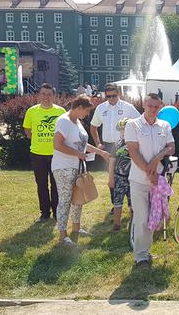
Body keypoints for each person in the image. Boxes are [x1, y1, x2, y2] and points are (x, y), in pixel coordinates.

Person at [125, 93, 175, 269]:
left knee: (154, 216)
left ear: (160, 107)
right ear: (144, 105)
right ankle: (140, 257)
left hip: (157, 181)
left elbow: (171, 147)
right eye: (150, 105)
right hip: (139, 180)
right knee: (142, 217)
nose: (153, 109)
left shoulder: (165, 125)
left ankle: (145, 250)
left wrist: (157, 159)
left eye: (156, 106)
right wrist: (149, 171)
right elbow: (133, 151)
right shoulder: (133, 124)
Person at [51, 95, 110, 246]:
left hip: (77, 167)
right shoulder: (63, 121)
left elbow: (83, 144)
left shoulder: (77, 122)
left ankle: (76, 229)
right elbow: (57, 145)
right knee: (65, 200)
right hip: (63, 167)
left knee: (78, 198)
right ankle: (63, 235)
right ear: (79, 108)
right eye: (87, 111)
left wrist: (100, 152)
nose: (87, 115)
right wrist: (78, 154)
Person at [90, 83, 140, 215]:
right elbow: (93, 126)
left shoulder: (128, 107)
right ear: (105, 95)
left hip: (126, 145)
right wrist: (98, 144)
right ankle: (115, 204)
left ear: (118, 93)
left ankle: (132, 204)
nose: (111, 98)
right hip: (109, 145)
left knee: (128, 175)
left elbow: (140, 123)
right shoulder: (101, 108)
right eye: (108, 96)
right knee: (112, 175)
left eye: (114, 96)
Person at [23, 83, 67, 222]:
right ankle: (44, 213)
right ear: (39, 95)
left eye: (49, 94)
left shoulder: (61, 112)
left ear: (54, 96)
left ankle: (56, 212)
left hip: (57, 154)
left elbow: (66, 131)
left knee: (56, 184)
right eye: (43, 94)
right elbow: (28, 131)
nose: (46, 97)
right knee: (41, 184)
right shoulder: (32, 111)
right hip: (38, 154)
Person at [108, 119, 132, 232]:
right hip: (119, 177)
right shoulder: (116, 145)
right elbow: (112, 162)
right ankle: (117, 224)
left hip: (133, 179)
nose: (123, 133)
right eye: (121, 131)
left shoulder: (137, 144)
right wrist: (111, 178)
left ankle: (134, 223)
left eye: (125, 130)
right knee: (118, 201)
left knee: (134, 202)